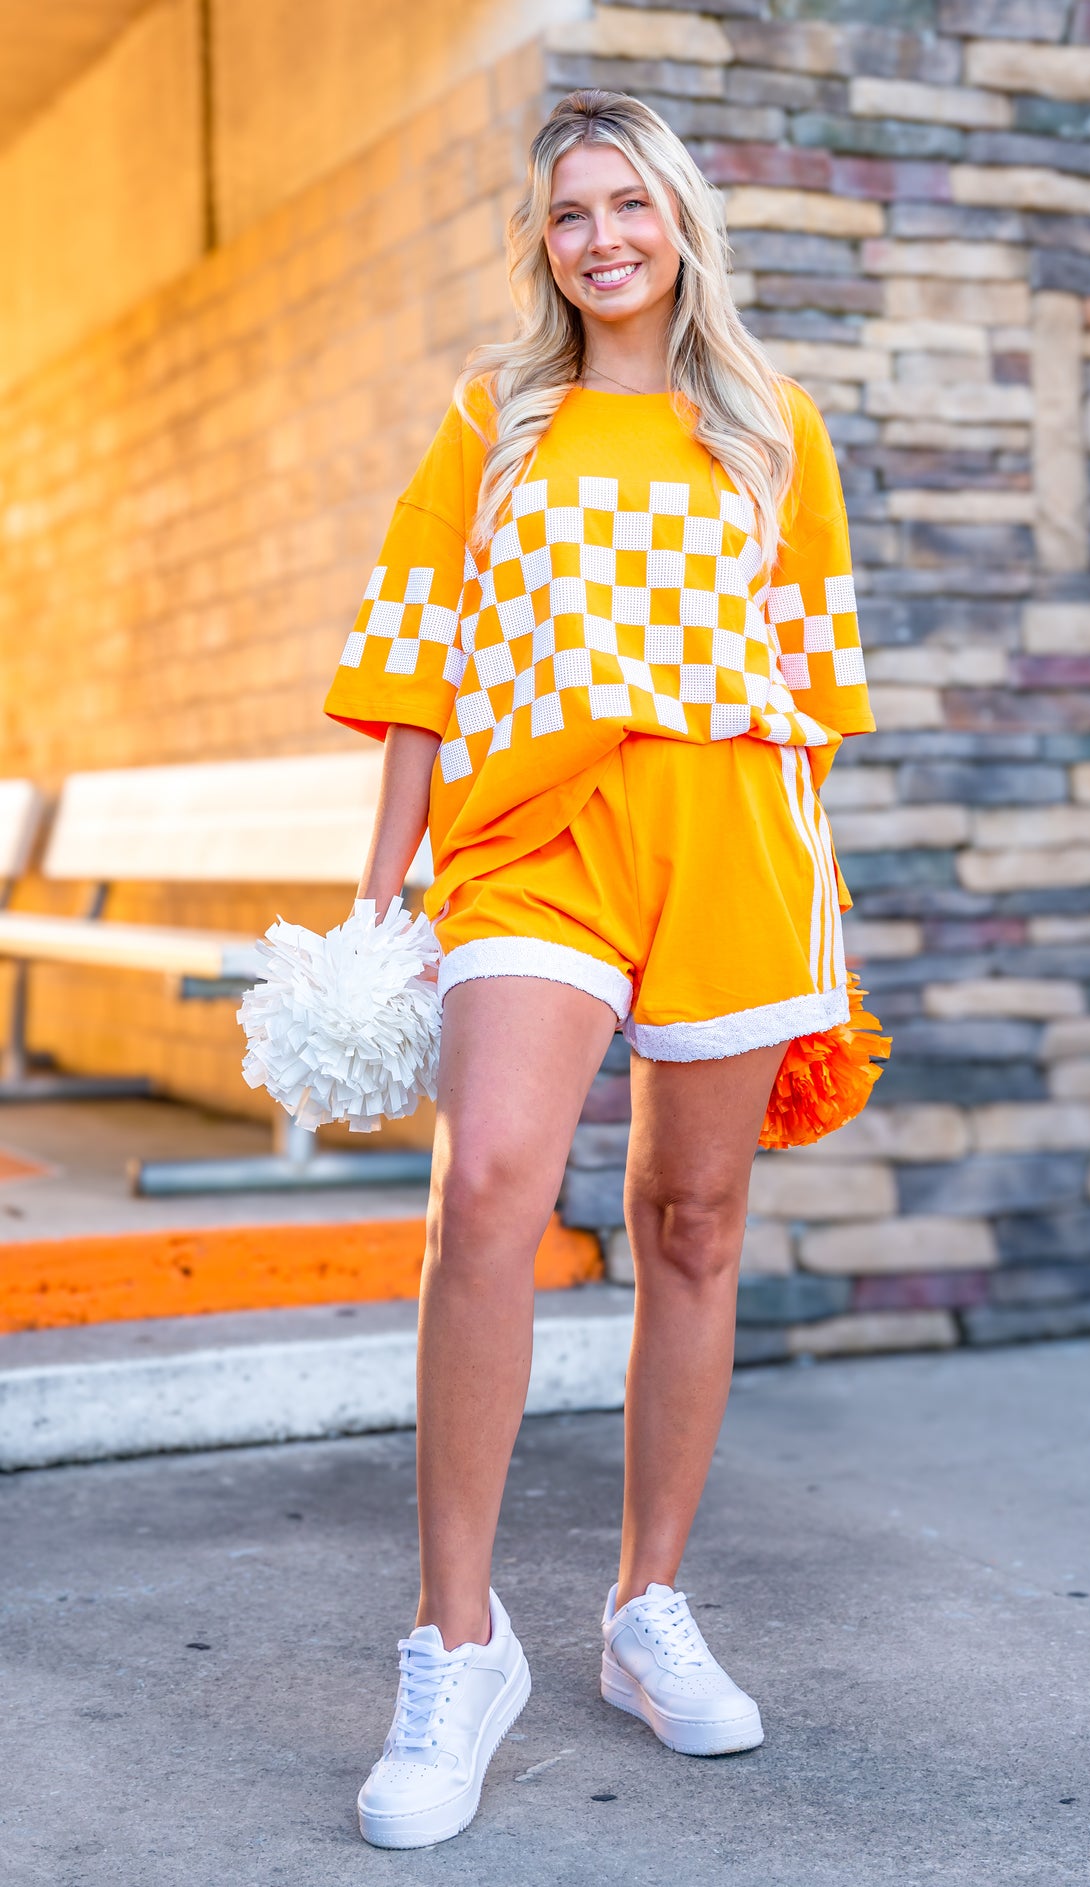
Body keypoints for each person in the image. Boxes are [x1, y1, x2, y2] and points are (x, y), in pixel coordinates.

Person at [323, 88, 880, 1851]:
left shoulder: (775, 429)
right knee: (488, 1186)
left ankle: (645, 1610)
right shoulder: (495, 418)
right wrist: (377, 899)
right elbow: (414, 664)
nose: (601, 239)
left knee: (692, 1224)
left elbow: (816, 702)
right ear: (545, 244)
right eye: (570, 214)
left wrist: (812, 917)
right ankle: (455, 1641)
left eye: (627, 205)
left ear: (680, 220)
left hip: (728, 849)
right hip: (533, 848)